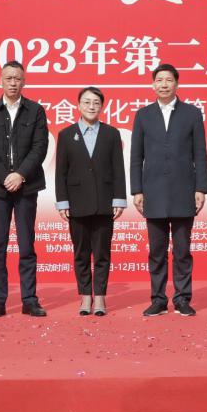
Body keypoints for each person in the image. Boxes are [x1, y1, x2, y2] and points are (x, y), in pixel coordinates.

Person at [131, 63, 207, 317]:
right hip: (152, 192)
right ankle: (158, 299)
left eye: (168, 80)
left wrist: (201, 188)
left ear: (177, 83)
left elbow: (200, 153)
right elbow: (136, 156)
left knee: (182, 250)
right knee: (157, 251)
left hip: (184, 190)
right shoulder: (143, 115)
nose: (164, 84)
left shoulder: (192, 113)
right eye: (159, 80)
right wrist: (137, 190)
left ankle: (183, 298)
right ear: (153, 84)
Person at [0, 61, 50, 318]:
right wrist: (5, 177)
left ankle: (29, 300)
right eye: (8, 78)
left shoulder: (36, 111)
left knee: (26, 245)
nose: (13, 83)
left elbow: (40, 147)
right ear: (0, 80)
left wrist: (20, 175)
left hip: (26, 187)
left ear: (24, 81)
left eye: (17, 78)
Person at [55, 87, 126, 316]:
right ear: (78, 105)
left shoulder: (111, 133)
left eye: (96, 102)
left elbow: (118, 169)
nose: (91, 106)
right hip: (76, 203)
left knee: (102, 253)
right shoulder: (66, 134)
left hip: (105, 202)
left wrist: (119, 199)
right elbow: (60, 172)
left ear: (101, 106)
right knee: (81, 253)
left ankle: (100, 297)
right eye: (86, 102)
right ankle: (86, 296)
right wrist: (62, 202)